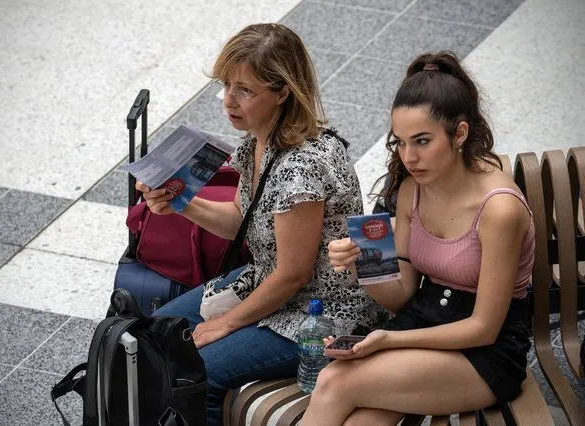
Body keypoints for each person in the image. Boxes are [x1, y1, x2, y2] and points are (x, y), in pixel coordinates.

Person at [135, 23, 387, 425]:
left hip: (320, 312)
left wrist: (227, 324)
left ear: (283, 92)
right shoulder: (259, 138)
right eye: (226, 85)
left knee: (201, 372)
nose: (229, 100)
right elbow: (240, 218)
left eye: (245, 90)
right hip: (267, 283)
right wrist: (181, 202)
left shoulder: (300, 170)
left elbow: (293, 274)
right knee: (153, 333)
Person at [302, 51, 535, 425]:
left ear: (459, 133)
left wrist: (386, 340)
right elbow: (403, 293)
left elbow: (484, 327)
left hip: (485, 350)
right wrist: (365, 259)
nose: (409, 157)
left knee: (334, 381)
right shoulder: (413, 189)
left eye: (422, 141)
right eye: (400, 143)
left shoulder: (499, 210)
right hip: (421, 322)